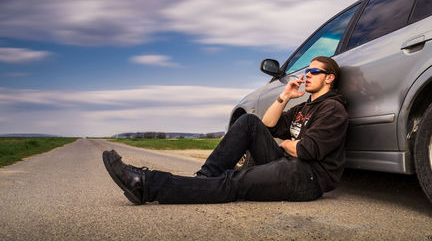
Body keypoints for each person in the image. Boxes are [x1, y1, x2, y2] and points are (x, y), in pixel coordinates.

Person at [102, 56, 348, 204]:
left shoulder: (333, 110)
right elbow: (268, 126)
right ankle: (202, 181)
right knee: (250, 122)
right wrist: (284, 96)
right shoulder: (305, 106)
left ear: (329, 78)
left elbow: (306, 150)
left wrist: (284, 145)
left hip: (307, 178)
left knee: (234, 182)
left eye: (314, 72)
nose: (307, 76)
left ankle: (145, 184)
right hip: (287, 164)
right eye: (307, 71)